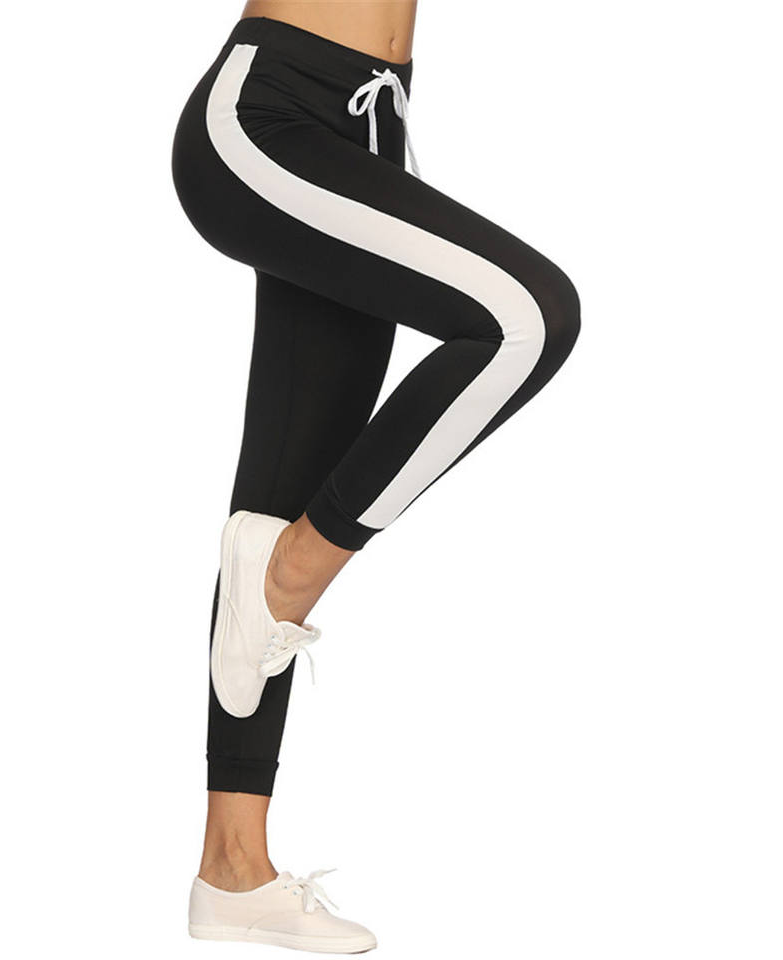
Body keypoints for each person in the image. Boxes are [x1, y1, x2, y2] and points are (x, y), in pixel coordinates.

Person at [172, 1, 580, 951]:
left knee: (281, 491)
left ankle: (232, 872)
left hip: (371, 129)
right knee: (527, 319)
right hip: (269, 115)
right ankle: (291, 572)